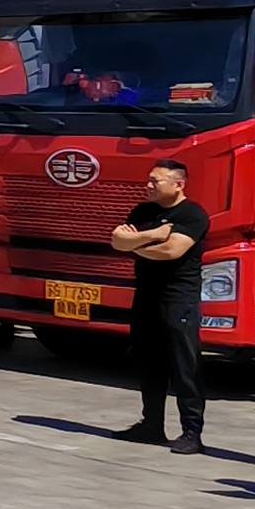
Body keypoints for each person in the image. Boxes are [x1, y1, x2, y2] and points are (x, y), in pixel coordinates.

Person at [107, 155, 210, 452]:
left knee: (184, 367)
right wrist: (152, 235)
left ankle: (192, 433)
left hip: (178, 299)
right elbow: (116, 241)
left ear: (178, 184)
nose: (148, 185)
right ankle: (151, 424)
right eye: (149, 180)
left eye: (155, 181)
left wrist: (135, 244)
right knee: (148, 363)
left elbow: (171, 251)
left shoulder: (192, 214)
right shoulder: (144, 211)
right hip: (145, 296)